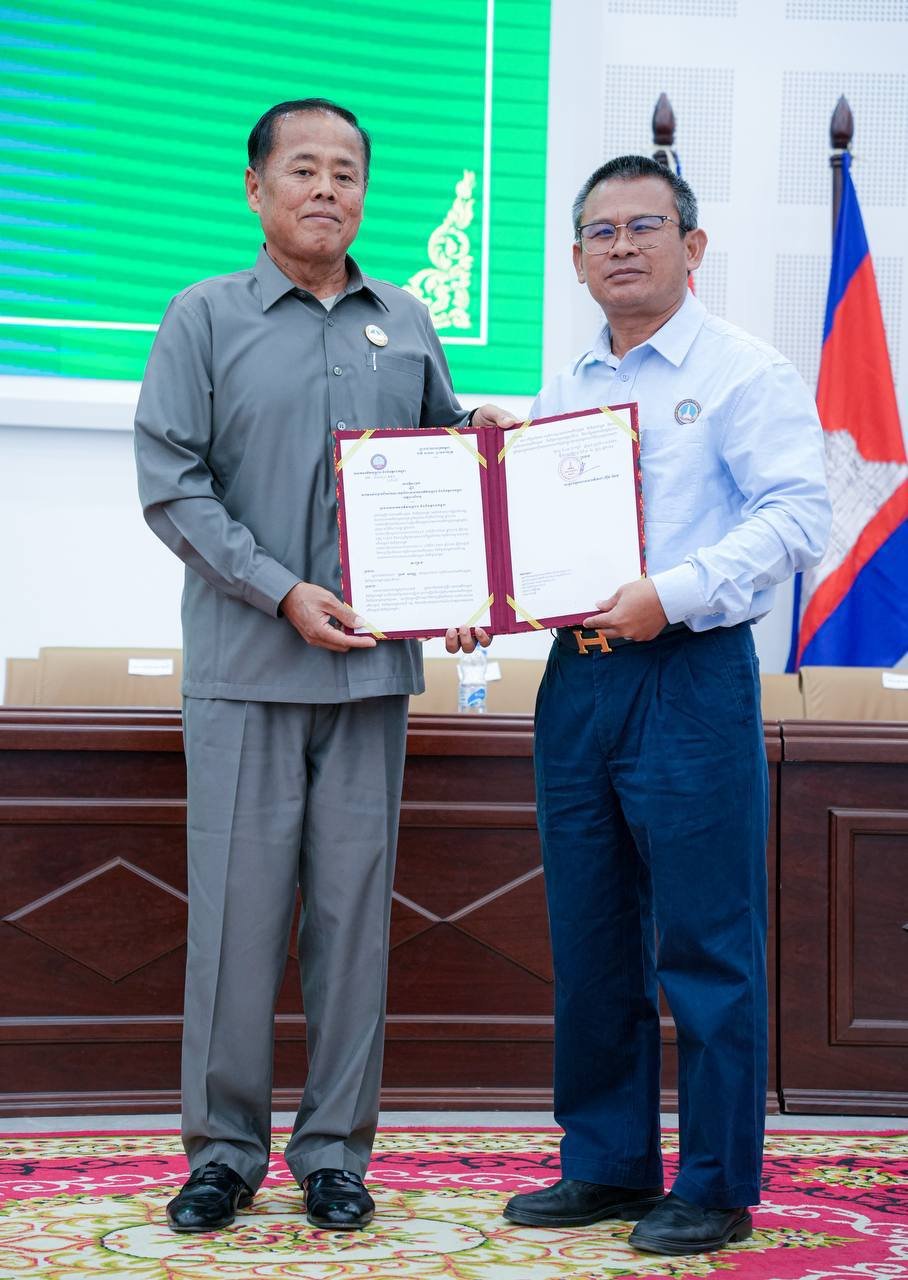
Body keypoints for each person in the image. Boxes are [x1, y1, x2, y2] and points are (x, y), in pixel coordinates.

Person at [134, 98, 504, 1234]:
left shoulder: (409, 317)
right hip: (247, 668)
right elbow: (173, 484)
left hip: (369, 679)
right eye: (303, 168)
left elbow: (441, 464)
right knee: (236, 925)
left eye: (346, 170)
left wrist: (488, 495)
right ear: (256, 188)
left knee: (352, 926)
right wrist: (280, 589)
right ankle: (223, 1154)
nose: (327, 188)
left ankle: (336, 1152)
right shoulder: (203, 316)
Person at [502, 155, 830, 1256]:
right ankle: (605, 1162)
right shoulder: (567, 387)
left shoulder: (744, 372)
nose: (621, 246)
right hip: (577, 677)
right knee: (591, 933)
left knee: (704, 938)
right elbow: (531, 542)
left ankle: (716, 1182)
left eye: (645, 226)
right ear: (575, 259)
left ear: (692, 247)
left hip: (688, 673)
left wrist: (673, 592)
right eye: (599, 232)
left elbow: (797, 518)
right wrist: (482, 599)